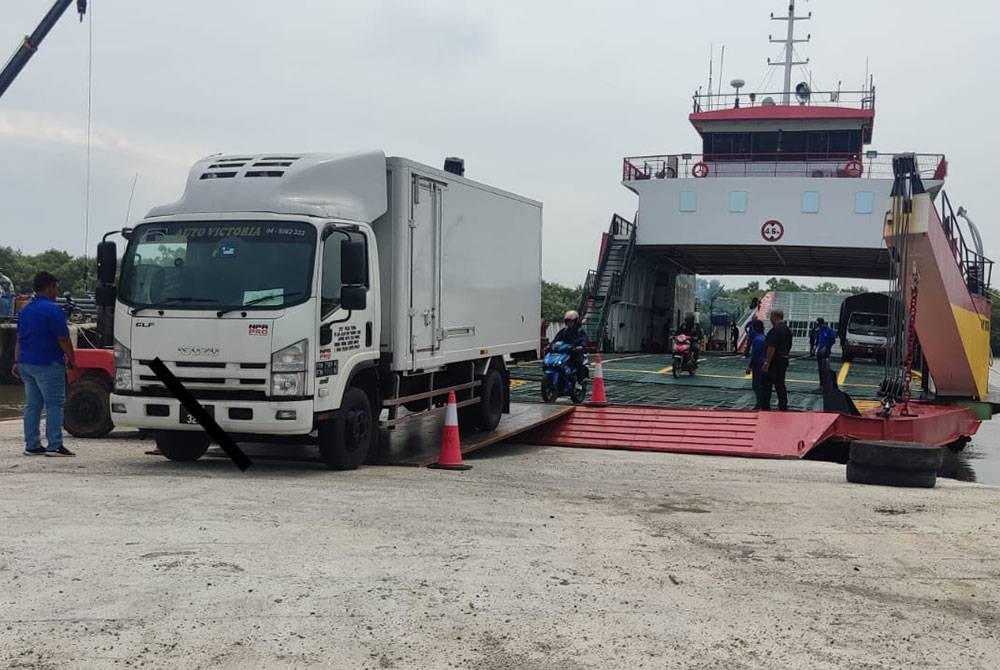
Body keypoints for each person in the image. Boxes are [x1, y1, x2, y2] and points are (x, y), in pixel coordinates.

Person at [12, 271, 76, 456]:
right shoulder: (53, 310)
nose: (58, 290)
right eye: (57, 286)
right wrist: (72, 359)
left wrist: (16, 361)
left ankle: (32, 445)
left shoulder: (25, 310)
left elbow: (19, 339)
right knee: (54, 404)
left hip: (25, 363)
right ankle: (54, 445)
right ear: (50, 287)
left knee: (32, 405)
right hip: (47, 363)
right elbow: (63, 338)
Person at [760, 309, 792, 411]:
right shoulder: (787, 330)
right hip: (784, 359)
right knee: (780, 384)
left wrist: (767, 362)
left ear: (774, 317)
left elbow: (771, 347)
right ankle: (783, 405)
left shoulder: (775, 330)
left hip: (775, 361)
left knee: (767, 384)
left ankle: (765, 406)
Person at [550, 310, 589, 385]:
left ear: (576, 321)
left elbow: (584, 340)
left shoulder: (580, 331)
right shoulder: (564, 331)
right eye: (567, 321)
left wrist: (581, 346)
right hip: (565, 353)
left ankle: (579, 383)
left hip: (575, 353)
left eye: (571, 321)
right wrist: (550, 345)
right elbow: (556, 340)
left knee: (578, 363)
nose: (569, 323)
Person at [744, 319, 767, 409]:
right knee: (762, 385)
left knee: (756, 385)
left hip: (758, 365)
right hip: (764, 364)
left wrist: (749, 367)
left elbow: (755, 355)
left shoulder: (757, 340)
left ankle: (759, 403)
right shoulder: (764, 337)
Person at [814, 317, 837, 388]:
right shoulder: (819, 331)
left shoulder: (828, 330)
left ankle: (827, 383)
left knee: (826, 368)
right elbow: (817, 340)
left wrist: (826, 347)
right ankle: (821, 383)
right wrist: (814, 347)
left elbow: (833, 340)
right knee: (820, 368)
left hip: (826, 352)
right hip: (819, 351)